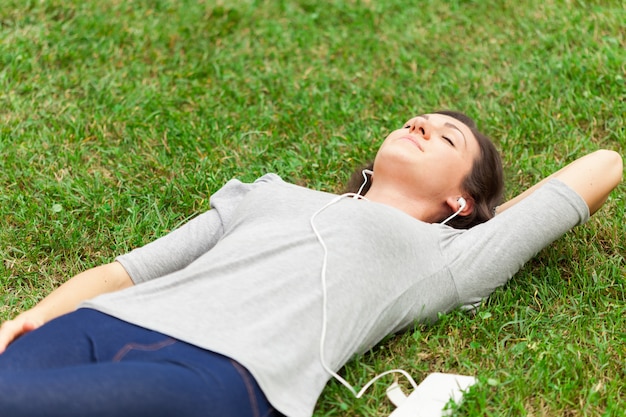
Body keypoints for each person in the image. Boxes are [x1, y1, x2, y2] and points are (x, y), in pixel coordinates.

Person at [0, 111, 622, 417]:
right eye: (419, 119)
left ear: (459, 198)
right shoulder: (266, 193)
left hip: (223, 371)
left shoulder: (450, 255)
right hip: (97, 325)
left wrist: (484, 218)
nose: (422, 124)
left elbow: (604, 165)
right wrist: (32, 316)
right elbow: (123, 273)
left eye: (445, 136)